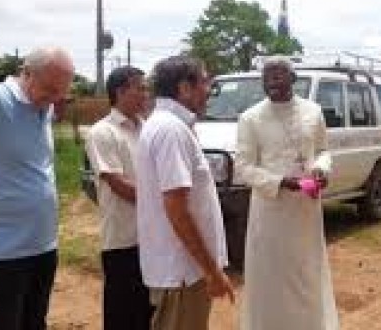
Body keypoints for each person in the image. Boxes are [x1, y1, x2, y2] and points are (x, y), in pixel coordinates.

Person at [236, 56, 339, 330]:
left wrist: (321, 169)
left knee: (305, 271)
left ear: (293, 79)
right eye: (267, 76)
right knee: (272, 274)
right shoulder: (250, 117)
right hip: (271, 210)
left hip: (305, 209)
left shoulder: (313, 111)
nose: (272, 81)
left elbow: (323, 151)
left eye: (279, 75)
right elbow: (243, 167)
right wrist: (281, 182)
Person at [136, 55, 234, 330]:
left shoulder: (169, 126)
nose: (209, 90)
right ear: (184, 88)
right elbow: (177, 209)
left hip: (183, 270)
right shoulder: (171, 131)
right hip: (182, 272)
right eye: (204, 82)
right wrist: (211, 270)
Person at [0, 47, 74, 330]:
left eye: (61, 92)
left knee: (35, 322)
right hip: (1, 251)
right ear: (26, 73)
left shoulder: (44, 107)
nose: (55, 99)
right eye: (50, 89)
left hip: (43, 245)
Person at [85, 66, 152, 329]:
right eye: (141, 88)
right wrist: (163, 203)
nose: (146, 94)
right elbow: (117, 184)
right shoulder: (103, 132)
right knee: (122, 313)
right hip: (123, 239)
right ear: (121, 92)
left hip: (151, 237)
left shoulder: (147, 129)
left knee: (148, 310)